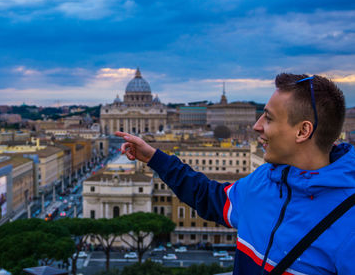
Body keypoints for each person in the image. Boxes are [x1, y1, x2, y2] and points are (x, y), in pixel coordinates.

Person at [116, 73, 355, 275]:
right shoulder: (262, 181)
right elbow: (207, 195)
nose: (256, 125)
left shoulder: (350, 224)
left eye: (269, 118)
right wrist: (153, 157)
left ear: (303, 131)